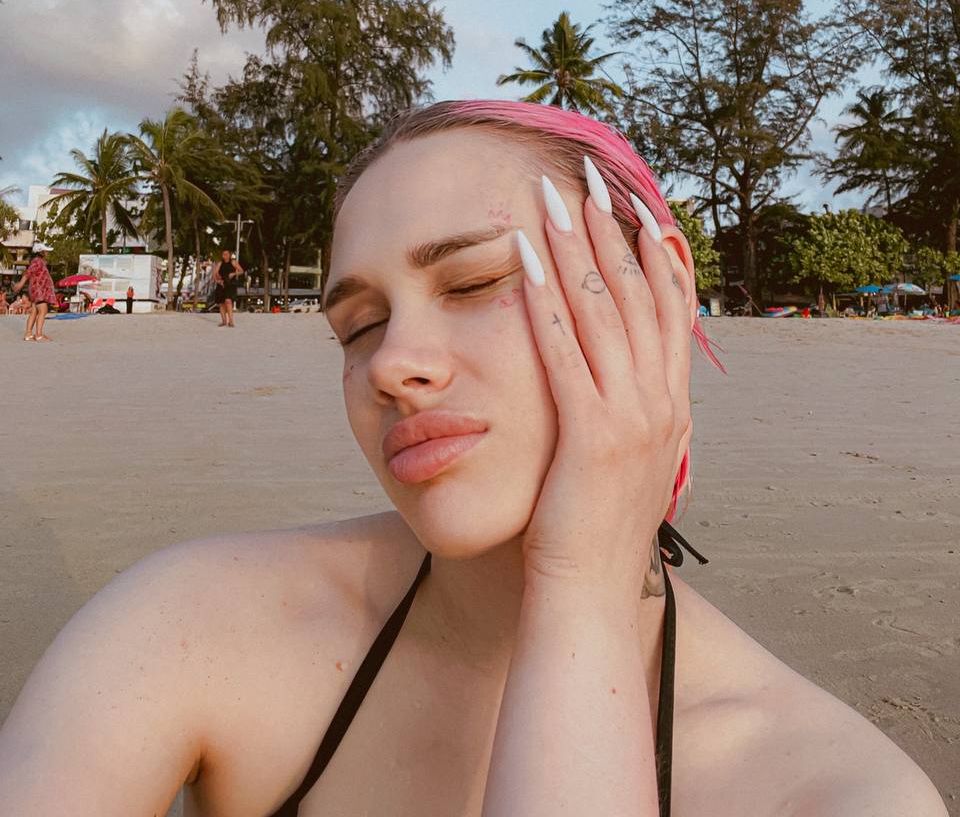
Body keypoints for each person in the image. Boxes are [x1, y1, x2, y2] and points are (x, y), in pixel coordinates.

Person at [0, 101, 947, 816]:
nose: (391, 366)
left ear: (656, 290)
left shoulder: (829, 789)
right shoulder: (192, 626)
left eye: (476, 281)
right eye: (358, 326)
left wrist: (579, 591)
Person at [11, 244, 57, 342]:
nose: (48, 253)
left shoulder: (39, 261)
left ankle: (28, 334)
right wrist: (20, 284)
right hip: (38, 290)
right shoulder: (37, 261)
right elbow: (28, 273)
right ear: (41, 252)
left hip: (37, 290)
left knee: (34, 311)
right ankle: (39, 335)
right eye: (46, 251)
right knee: (43, 310)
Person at [212, 248, 244, 327]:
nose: (225, 256)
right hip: (221, 284)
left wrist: (234, 274)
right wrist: (218, 281)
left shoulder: (233, 262)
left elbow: (241, 271)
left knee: (228, 301)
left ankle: (231, 321)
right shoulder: (220, 263)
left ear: (229, 255)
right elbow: (214, 274)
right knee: (221, 304)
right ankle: (224, 321)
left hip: (230, 284)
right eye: (223, 254)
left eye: (226, 254)